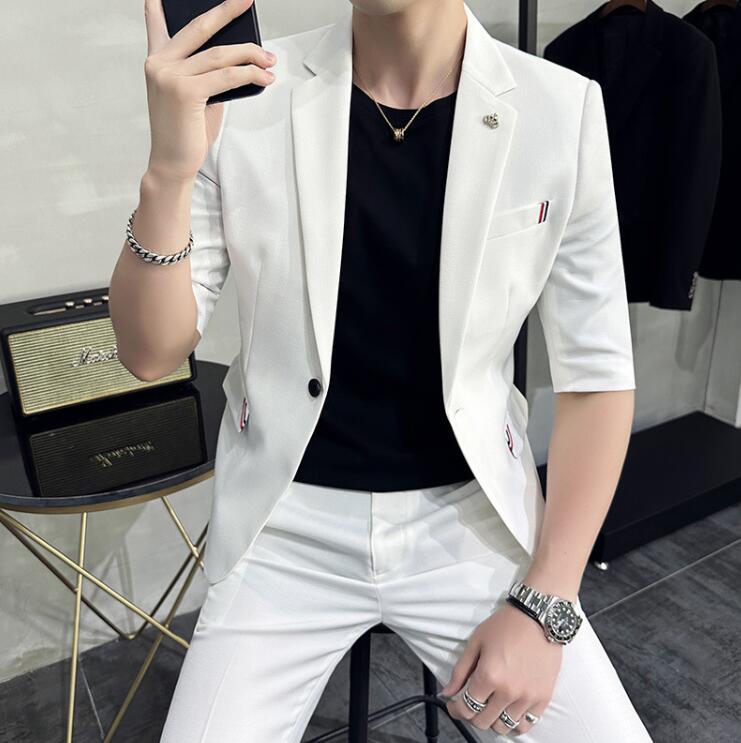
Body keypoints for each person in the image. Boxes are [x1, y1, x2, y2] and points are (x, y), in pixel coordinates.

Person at [109, 0, 654, 740]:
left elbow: (597, 376)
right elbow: (150, 352)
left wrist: (548, 600)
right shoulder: (249, 92)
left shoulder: (559, 108)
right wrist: (168, 175)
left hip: (472, 522)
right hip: (284, 523)